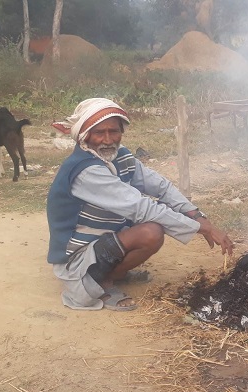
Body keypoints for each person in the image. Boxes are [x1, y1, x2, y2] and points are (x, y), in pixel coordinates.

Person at [46, 98, 233, 312]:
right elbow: (141, 208)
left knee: (150, 225)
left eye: (114, 131)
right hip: (78, 255)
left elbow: (160, 187)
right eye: (99, 133)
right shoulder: (86, 170)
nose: (107, 139)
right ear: (84, 134)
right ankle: (100, 281)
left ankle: (114, 271)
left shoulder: (120, 156)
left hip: (104, 239)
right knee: (150, 232)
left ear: (122, 131)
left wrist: (197, 215)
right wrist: (202, 228)